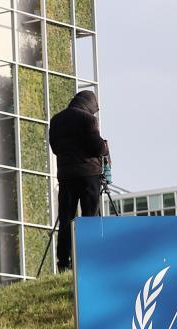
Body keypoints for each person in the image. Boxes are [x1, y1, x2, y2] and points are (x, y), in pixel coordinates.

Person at [49, 90, 109, 272]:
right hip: (89, 175)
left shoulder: (56, 120)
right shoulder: (88, 120)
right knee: (90, 217)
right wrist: (105, 146)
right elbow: (97, 147)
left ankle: (63, 262)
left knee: (66, 218)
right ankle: (88, 258)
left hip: (66, 175)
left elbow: (55, 147)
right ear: (90, 105)